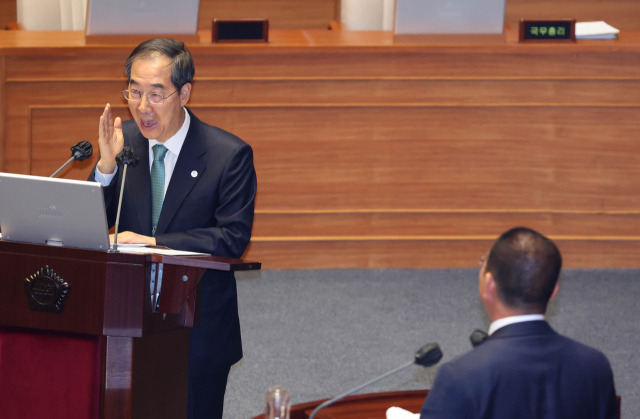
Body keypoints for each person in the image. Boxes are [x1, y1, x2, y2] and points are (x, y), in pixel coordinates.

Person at [89, 38, 257, 418]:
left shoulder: (227, 156)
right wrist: (105, 168)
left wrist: (153, 242)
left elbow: (232, 239)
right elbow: (90, 227)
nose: (142, 106)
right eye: (134, 91)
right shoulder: (123, 143)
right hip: (125, 317)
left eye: (156, 94)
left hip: (196, 328)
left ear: (184, 93)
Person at [420, 227, 618, 419]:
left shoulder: (459, 376)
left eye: (482, 264)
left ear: (489, 285)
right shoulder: (595, 366)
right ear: (553, 292)